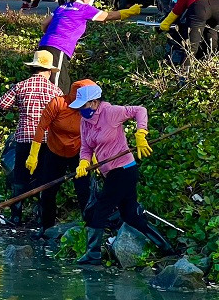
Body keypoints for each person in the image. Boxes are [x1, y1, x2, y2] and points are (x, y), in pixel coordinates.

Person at [71, 83, 174, 265]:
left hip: (124, 169)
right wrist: (84, 162)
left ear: (94, 102)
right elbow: (86, 147)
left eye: (83, 106)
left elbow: (140, 110)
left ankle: (93, 253)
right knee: (130, 215)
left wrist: (141, 133)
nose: (81, 110)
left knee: (101, 208)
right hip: (110, 172)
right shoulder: (85, 122)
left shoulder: (110, 112)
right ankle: (166, 248)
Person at [0, 50, 62, 225]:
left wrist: (19, 106)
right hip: (46, 141)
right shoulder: (55, 90)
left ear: (33, 68)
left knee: (20, 177)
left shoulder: (21, 86)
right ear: (48, 71)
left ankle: (16, 216)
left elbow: (2, 104)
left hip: (24, 138)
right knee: (43, 178)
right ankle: (42, 217)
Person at [38, 0, 139, 89]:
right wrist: (130, 12)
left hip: (43, 44)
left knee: (44, 78)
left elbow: (44, 23)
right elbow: (108, 16)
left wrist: (51, 36)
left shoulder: (63, 7)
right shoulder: (84, 9)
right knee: (58, 83)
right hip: (59, 47)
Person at [26, 79, 95, 237]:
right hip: (54, 151)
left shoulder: (90, 109)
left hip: (78, 153)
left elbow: (94, 133)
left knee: (84, 190)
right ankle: (46, 227)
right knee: (48, 191)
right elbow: (41, 127)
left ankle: (90, 227)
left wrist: (95, 157)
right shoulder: (58, 104)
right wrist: (33, 155)